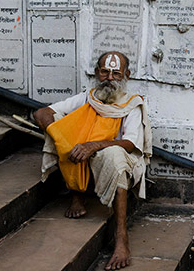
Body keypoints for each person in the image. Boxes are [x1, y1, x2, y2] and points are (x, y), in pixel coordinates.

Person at [33, 51, 152, 270]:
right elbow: (41, 114)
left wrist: (94, 145)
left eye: (116, 74)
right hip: (83, 159)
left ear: (127, 74)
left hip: (117, 160)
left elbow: (129, 144)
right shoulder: (86, 98)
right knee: (62, 127)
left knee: (114, 156)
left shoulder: (132, 104)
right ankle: (76, 193)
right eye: (105, 72)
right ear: (97, 73)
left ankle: (121, 237)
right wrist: (65, 138)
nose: (109, 78)